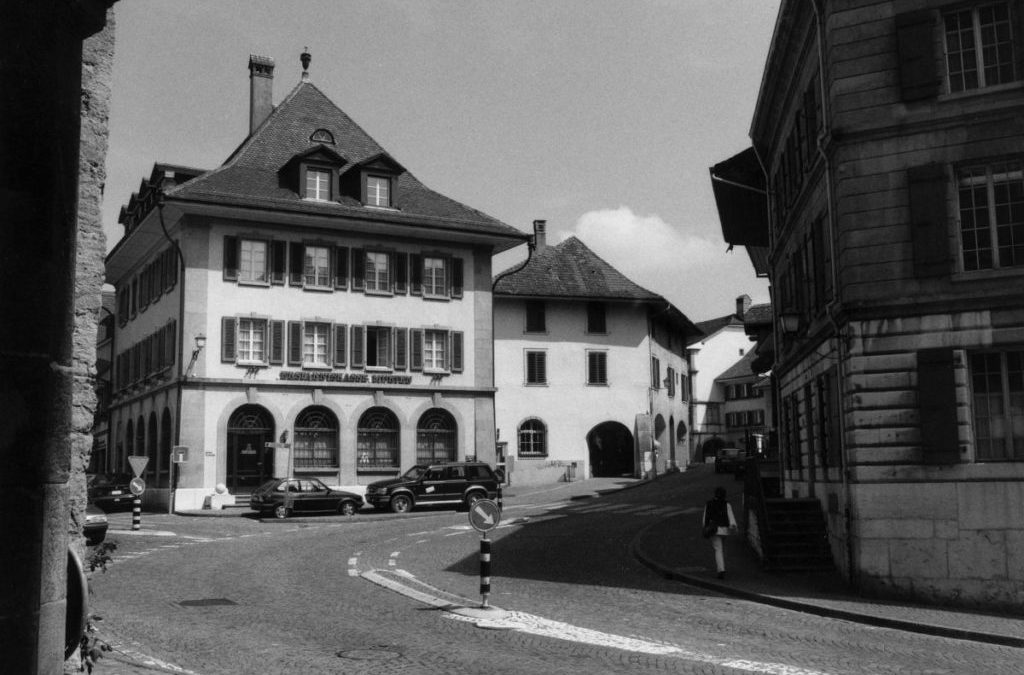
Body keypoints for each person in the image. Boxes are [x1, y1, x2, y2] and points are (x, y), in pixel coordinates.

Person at [702, 486, 738, 579]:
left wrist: (705, 527)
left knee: (718, 549)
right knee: (721, 548)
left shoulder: (709, 504)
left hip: (713, 529)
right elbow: (730, 516)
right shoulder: (726, 504)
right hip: (724, 529)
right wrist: (733, 526)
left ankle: (721, 569)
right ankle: (722, 567)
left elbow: (705, 518)